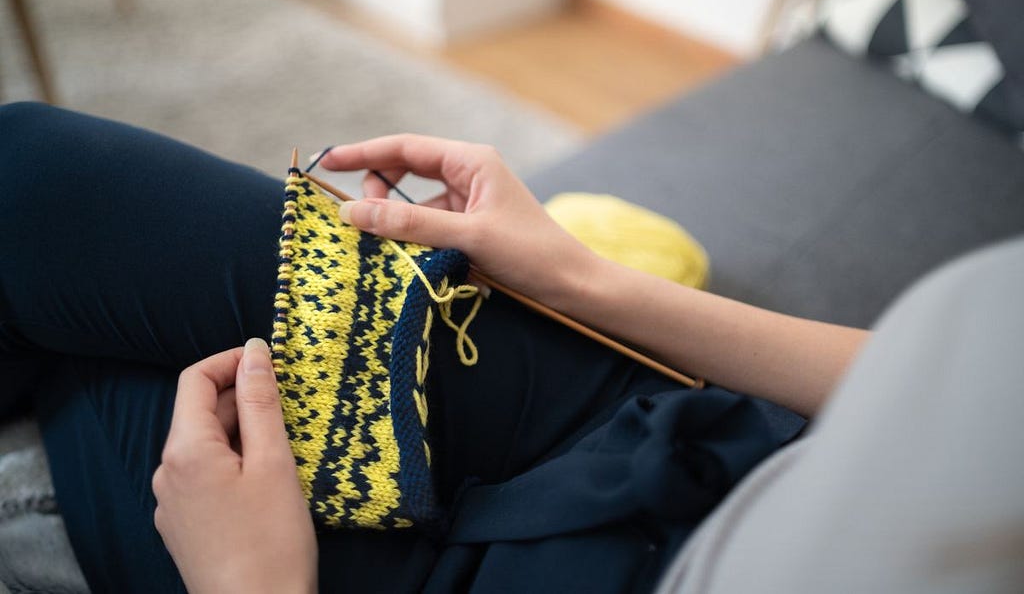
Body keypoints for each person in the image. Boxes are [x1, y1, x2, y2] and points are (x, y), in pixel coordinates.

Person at [1, 102, 1021, 593]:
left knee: (92, 405)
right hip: (687, 441)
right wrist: (579, 279)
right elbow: (944, 385)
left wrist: (253, 584)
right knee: (32, 177)